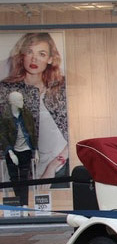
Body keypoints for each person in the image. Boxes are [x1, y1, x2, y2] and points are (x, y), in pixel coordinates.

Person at [0, 33, 68, 185]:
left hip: (59, 167)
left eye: (41, 54)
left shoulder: (61, 88)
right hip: (19, 163)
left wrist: (53, 166)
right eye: (29, 52)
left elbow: (74, 132)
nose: (34, 59)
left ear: (50, 59)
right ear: (22, 55)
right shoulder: (6, 88)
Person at [0, 91, 37, 207]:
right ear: (13, 102)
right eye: (19, 100)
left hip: (25, 150)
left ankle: (24, 205)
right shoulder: (5, 117)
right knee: (14, 178)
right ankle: (18, 205)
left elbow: (33, 133)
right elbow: (3, 136)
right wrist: (10, 152)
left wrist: (36, 150)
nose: (22, 102)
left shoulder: (27, 115)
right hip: (12, 151)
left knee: (25, 177)